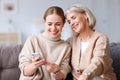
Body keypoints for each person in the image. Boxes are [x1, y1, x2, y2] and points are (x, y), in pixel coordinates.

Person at [65, 4, 116, 80]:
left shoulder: (101, 38)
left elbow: (98, 61)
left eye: (74, 18)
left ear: (85, 15)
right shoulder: (71, 41)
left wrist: (86, 75)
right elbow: (59, 50)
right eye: (69, 21)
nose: (71, 23)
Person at [19, 6, 71, 80]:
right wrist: (34, 66)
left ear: (63, 24)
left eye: (58, 24)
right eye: (49, 24)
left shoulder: (66, 47)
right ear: (45, 23)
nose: (53, 28)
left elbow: (62, 75)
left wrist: (55, 72)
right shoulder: (33, 40)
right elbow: (25, 72)